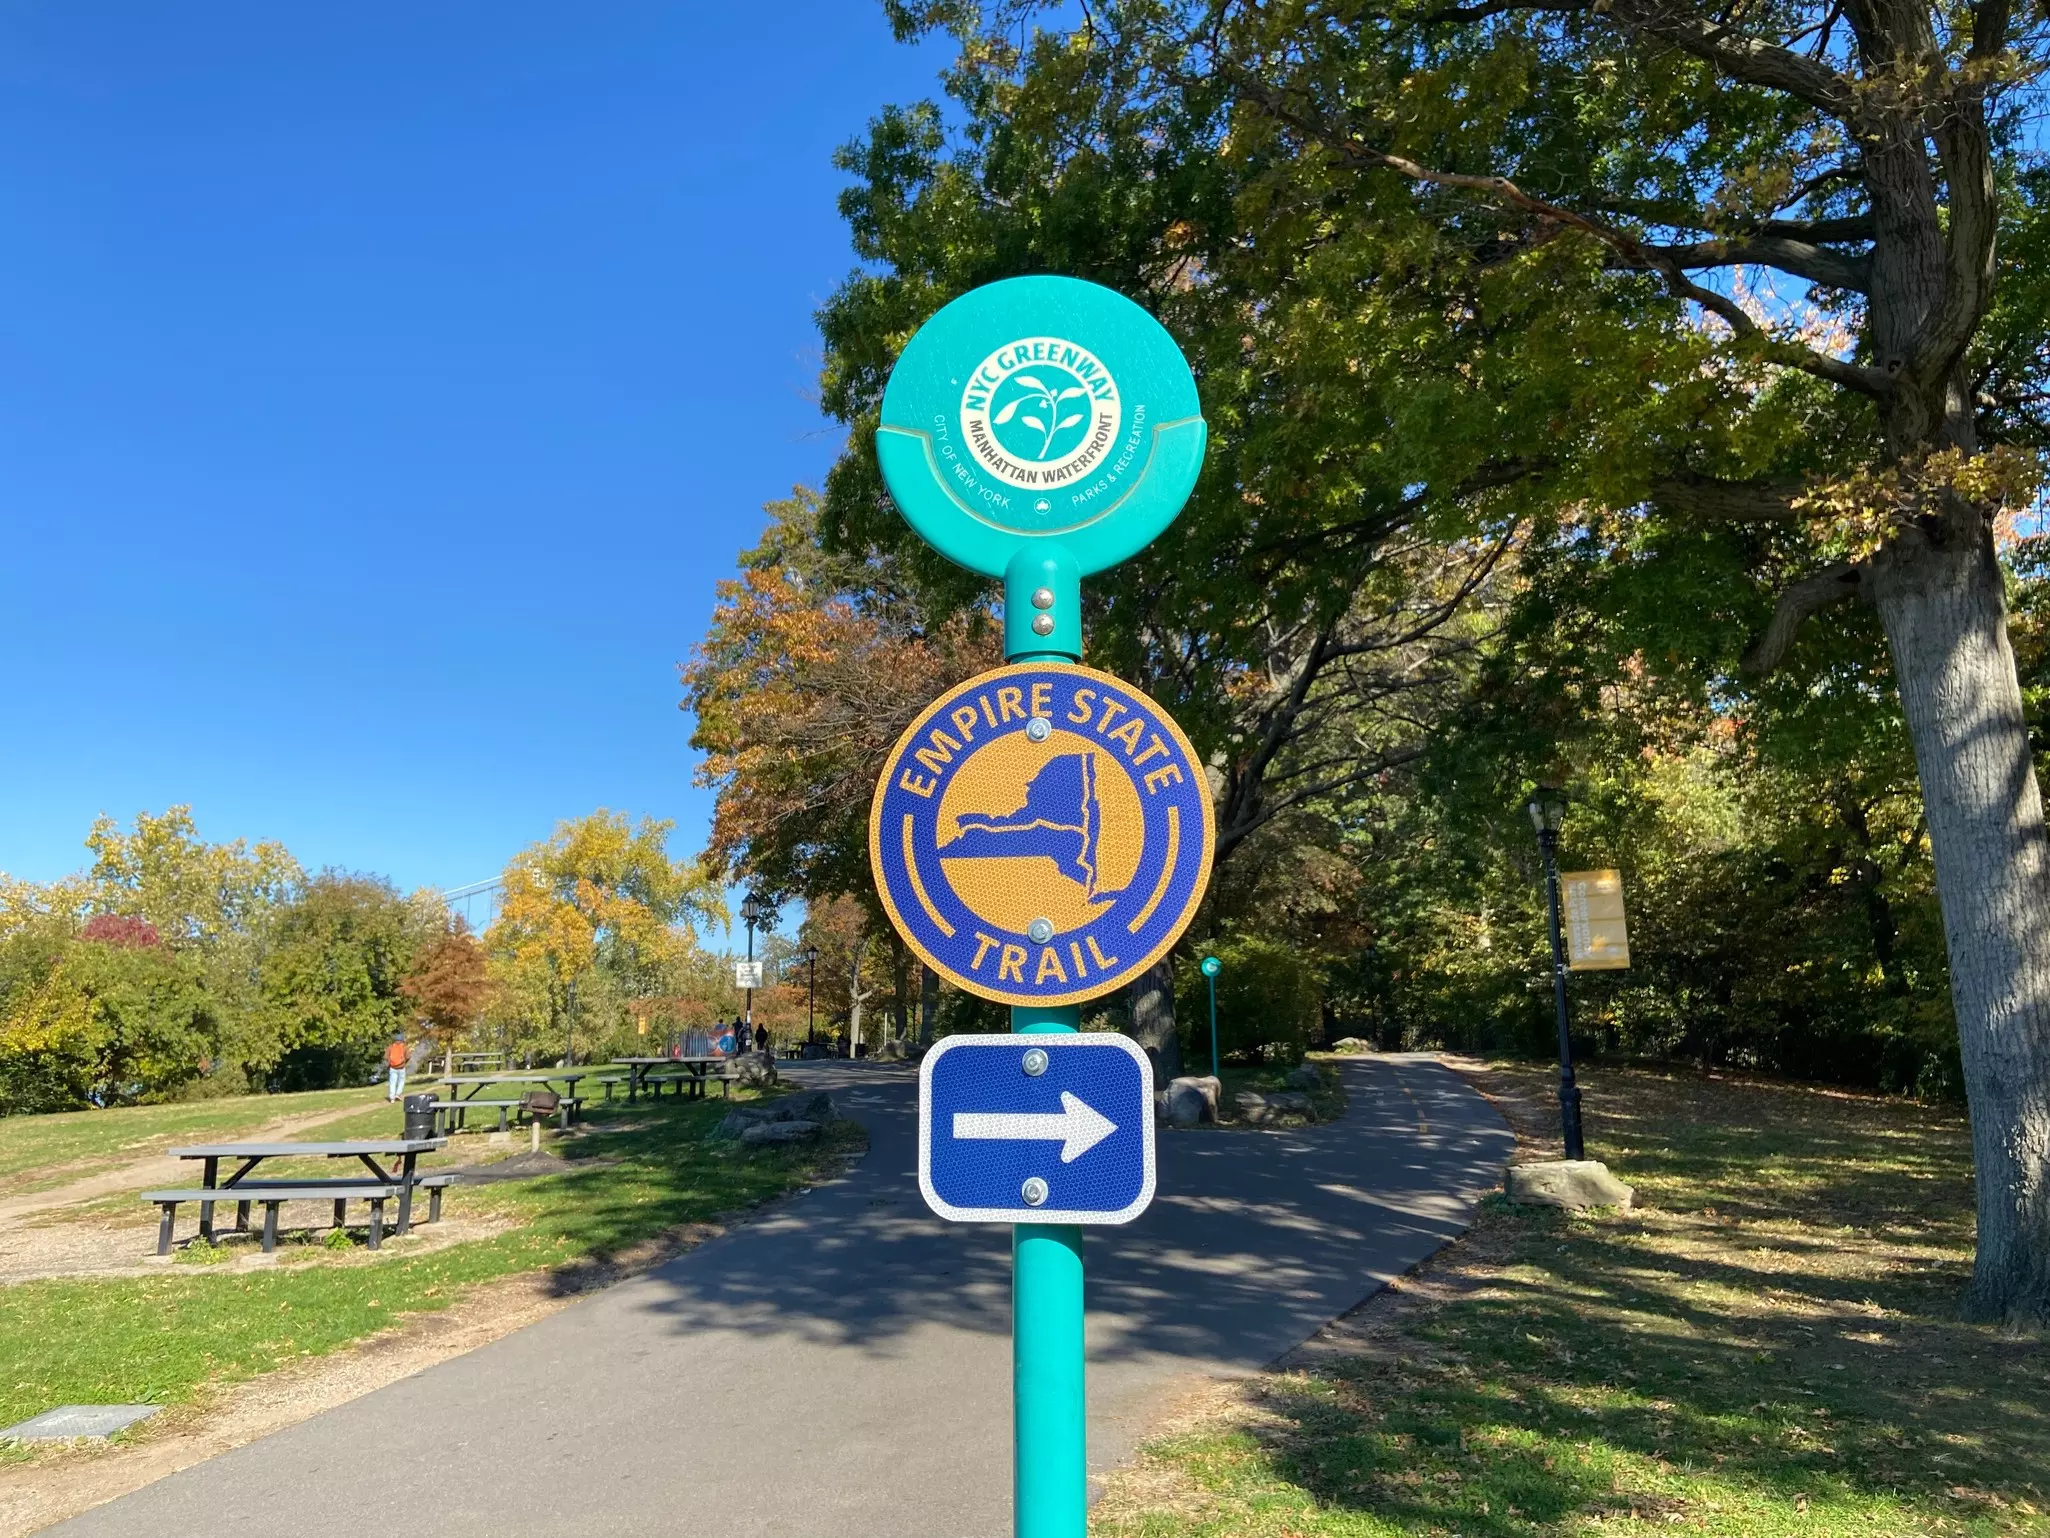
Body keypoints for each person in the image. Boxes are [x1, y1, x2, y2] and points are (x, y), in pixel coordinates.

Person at [385, 1035, 409, 1101]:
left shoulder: (390, 1047)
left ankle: (392, 1097)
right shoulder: (405, 1047)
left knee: (392, 1082)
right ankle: (398, 1094)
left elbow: (386, 1057)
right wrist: (404, 1062)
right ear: (402, 1040)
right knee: (401, 1081)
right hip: (401, 1068)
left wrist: (390, 1062)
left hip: (392, 1068)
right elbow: (408, 1057)